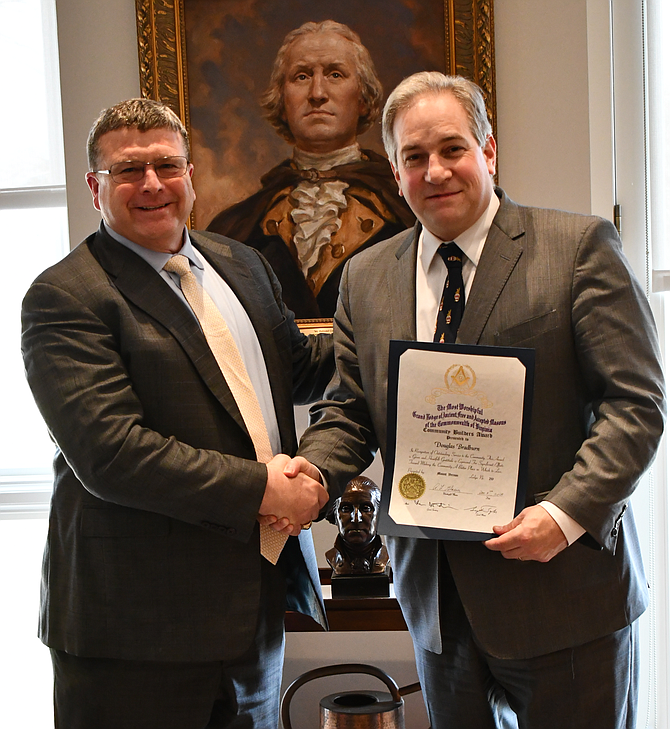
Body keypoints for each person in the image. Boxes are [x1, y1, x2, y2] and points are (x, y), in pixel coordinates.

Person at [295, 72, 666, 728]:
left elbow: (635, 405)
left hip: (565, 595)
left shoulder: (576, 250)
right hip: (439, 606)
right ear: (395, 169)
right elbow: (351, 408)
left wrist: (565, 512)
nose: (435, 170)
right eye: (414, 156)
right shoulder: (366, 276)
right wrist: (313, 472)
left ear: (488, 152)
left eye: (452, 149)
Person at [21, 98, 334, 729]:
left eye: (167, 165)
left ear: (191, 173)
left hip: (249, 610)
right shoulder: (65, 296)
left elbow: (298, 369)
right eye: (128, 171)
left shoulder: (241, 263)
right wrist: (263, 488)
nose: (152, 185)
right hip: (134, 631)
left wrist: (393, 326)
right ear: (94, 186)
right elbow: (112, 453)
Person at [207, 20, 415, 319]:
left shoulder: (407, 213)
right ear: (282, 98)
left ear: (363, 96)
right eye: (302, 76)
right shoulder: (233, 228)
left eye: (335, 74)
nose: (317, 93)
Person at [325, 476, 389, 575]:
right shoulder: (332, 557)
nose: (356, 519)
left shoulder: (388, 555)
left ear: (379, 515)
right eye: (346, 509)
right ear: (334, 514)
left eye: (366, 508)